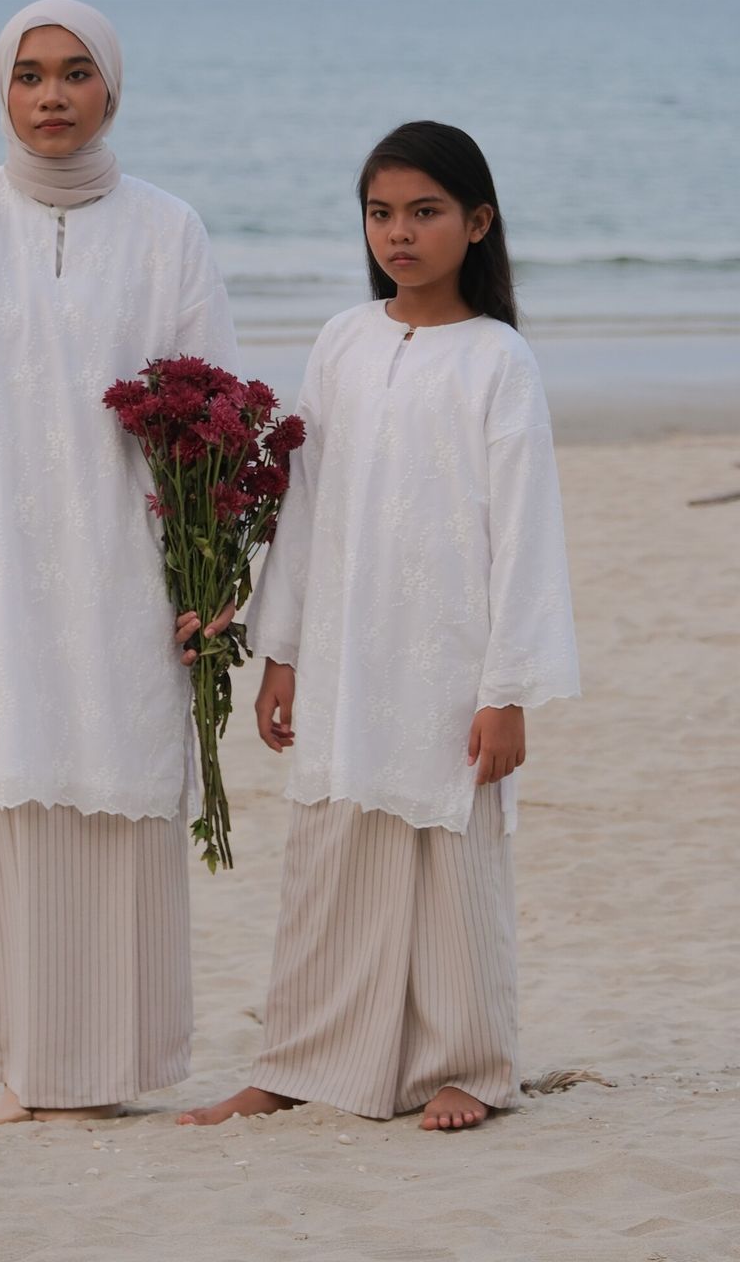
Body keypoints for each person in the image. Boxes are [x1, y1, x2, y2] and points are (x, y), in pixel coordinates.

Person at [0, 0, 237, 1124]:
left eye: (76, 73)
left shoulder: (169, 229)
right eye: (29, 75)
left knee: (124, 792)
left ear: (112, 89)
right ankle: (30, 1070)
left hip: (132, 565)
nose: (52, 95)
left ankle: (117, 1068)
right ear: (3, 91)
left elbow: (213, 410)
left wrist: (209, 582)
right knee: (15, 794)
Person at [180, 121, 579, 1132]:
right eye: (380, 213)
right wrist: (280, 651)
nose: (398, 233)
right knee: (330, 857)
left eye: (424, 212)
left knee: (451, 857)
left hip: (451, 654)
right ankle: (298, 1060)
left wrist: (508, 691)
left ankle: (469, 1067)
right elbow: (303, 503)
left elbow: (525, 532)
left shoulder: (499, 360)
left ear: (477, 223)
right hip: (348, 649)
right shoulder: (344, 340)